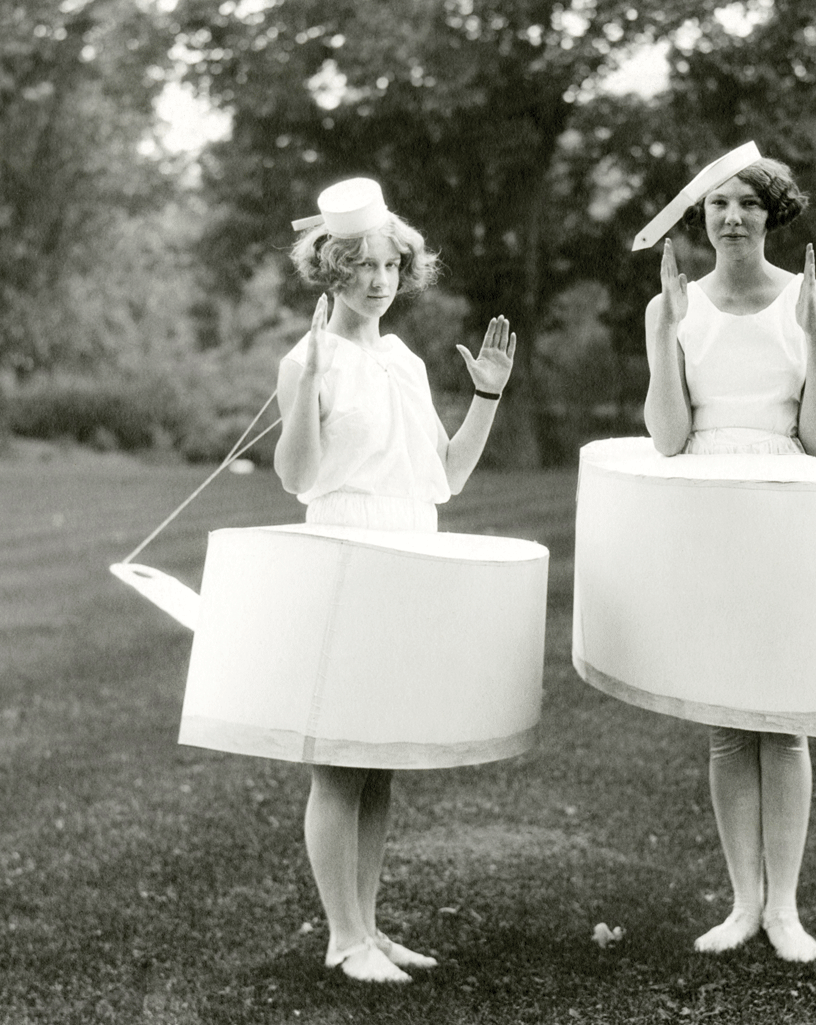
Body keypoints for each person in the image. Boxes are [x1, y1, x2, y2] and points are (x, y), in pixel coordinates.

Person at [275, 178, 516, 984]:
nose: (379, 280)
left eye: (389, 265)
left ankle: (369, 929)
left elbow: (443, 476)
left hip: (411, 546)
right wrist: (305, 387)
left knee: (380, 756)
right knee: (342, 755)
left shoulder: (407, 360)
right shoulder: (309, 358)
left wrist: (485, 394)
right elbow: (299, 475)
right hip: (345, 549)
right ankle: (343, 937)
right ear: (332, 270)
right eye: (361, 266)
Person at [642, 156, 816, 963]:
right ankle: (742, 902)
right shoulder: (675, 303)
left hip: (787, 501)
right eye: (719, 203)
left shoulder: (814, 298)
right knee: (729, 724)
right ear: (701, 217)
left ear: (774, 213)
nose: (732, 216)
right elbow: (666, 435)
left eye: (749, 203)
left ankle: (787, 907)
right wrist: (663, 333)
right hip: (708, 508)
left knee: (785, 719)